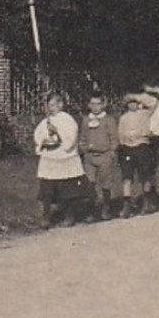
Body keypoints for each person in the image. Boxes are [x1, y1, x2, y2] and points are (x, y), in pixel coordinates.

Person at [33, 92, 85, 228]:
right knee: (47, 188)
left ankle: (69, 216)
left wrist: (57, 132)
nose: (52, 108)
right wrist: (43, 140)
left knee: (66, 188)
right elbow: (38, 135)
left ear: (61, 104)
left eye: (54, 105)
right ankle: (46, 217)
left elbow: (71, 138)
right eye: (49, 106)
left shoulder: (67, 120)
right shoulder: (46, 121)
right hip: (50, 157)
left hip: (64, 156)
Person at [117, 85, 159, 216]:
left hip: (142, 146)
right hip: (127, 149)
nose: (132, 105)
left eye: (135, 103)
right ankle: (126, 206)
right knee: (127, 178)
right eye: (129, 103)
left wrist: (134, 96)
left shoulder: (145, 114)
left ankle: (146, 203)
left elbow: (154, 102)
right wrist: (123, 146)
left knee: (144, 176)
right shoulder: (123, 118)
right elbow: (120, 135)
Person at [78, 90, 120, 220]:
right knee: (90, 183)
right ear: (89, 105)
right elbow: (83, 137)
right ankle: (92, 210)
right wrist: (84, 150)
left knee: (105, 183)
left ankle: (106, 208)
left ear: (103, 105)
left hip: (104, 156)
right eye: (92, 104)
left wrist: (112, 152)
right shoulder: (86, 120)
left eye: (98, 104)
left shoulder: (108, 120)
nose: (95, 107)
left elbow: (114, 138)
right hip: (90, 157)